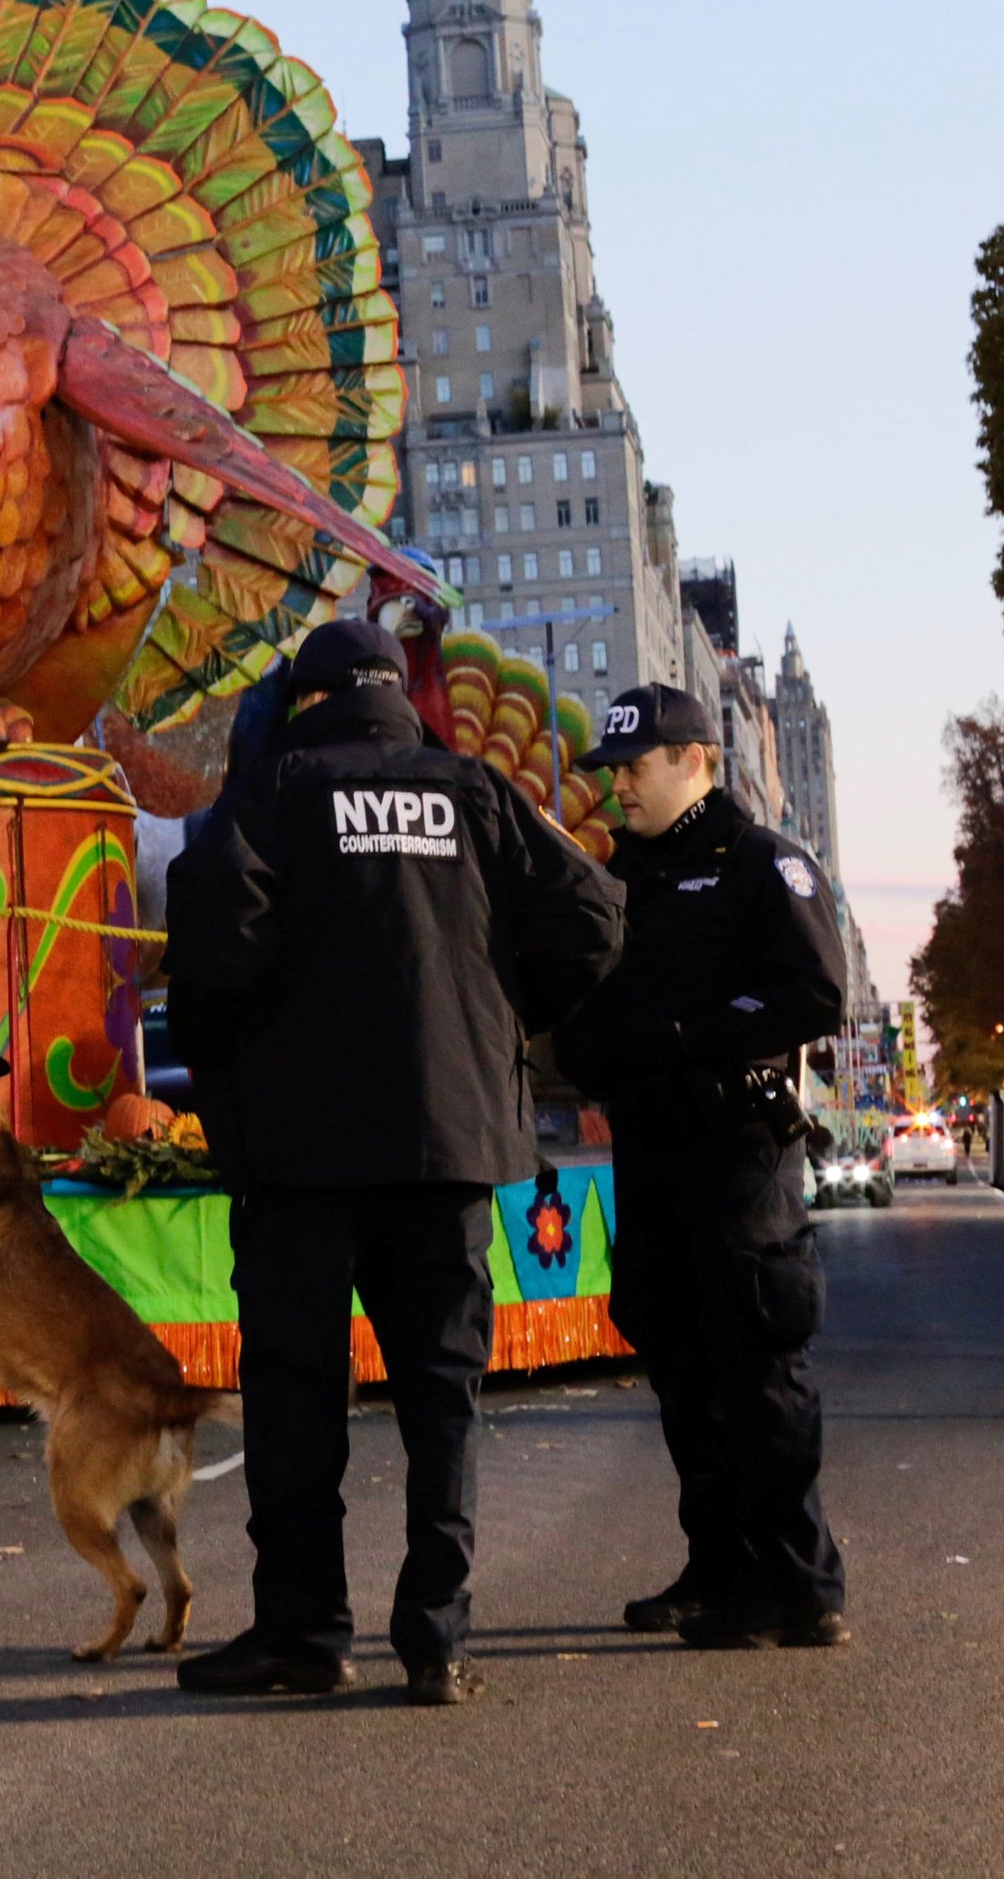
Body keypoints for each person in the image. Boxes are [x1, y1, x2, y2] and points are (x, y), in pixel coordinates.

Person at [165, 620, 623, 1706]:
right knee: (441, 1400)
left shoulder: (273, 791)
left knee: (294, 1399)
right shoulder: (471, 789)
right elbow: (594, 918)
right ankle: (435, 1638)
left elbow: (210, 933)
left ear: (308, 701)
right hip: (446, 1144)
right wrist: (498, 1024)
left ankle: (303, 1633)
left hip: (298, 1152)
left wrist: (239, 1069)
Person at [558, 683, 852, 1650]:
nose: (618, 790)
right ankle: (719, 1565)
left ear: (696, 761)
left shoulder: (763, 867)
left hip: (737, 1156)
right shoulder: (618, 880)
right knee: (682, 1373)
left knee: (757, 1370)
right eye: (610, 774)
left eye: (635, 770)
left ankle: (797, 1581)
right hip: (651, 1156)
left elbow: (813, 992)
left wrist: (685, 1036)